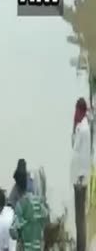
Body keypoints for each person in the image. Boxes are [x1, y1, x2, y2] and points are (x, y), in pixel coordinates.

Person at [9, 166, 49, 251]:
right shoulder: (40, 207)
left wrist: (21, 231)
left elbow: (13, 231)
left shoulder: (21, 205)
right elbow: (46, 221)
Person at [71, 97, 91, 251]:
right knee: (81, 217)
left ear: (79, 110)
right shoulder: (87, 126)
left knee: (79, 218)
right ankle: (81, 247)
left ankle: (81, 248)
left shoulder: (81, 128)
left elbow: (75, 147)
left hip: (79, 177)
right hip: (83, 175)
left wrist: (73, 126)